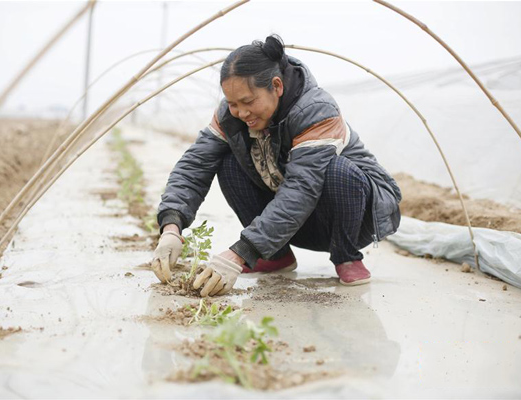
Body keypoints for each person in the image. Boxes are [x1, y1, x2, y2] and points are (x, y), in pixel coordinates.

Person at [150, 34, 401, 297]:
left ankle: (346, 256)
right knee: (227, 162)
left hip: (352, 217)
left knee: (340, 171)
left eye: (248, 102)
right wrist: (171, 226)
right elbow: (195, 164)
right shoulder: (230, 116)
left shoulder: (316, 110)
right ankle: (276, 255)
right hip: (294, 221)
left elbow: (301, 188)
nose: (241, 112)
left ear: (277, 86)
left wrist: (241, 252)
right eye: (233, 103)